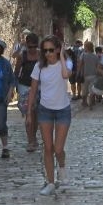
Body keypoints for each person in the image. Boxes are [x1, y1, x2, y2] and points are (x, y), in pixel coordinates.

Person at [28, 35, 72, 196]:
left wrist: (61, 57)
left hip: (63, 110)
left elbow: (66, 75)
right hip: (45, 110)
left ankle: (62, 167)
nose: (47, 53)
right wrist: (28, 112)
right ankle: (51, 181)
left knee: (58, 148)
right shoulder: (39, 67)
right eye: (45, 50)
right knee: (47, 148)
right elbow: (33, 90)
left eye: (51, 50)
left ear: (58, 49)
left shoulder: (66, 63)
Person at [13, 32, 41, 152]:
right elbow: (17, 71)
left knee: (37, 116)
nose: (33, 49)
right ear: (26, 45)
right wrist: (14, 87)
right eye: (30, 47)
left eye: (35, 46)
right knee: (29, 114)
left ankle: (34, 137)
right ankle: (30, 140)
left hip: (40, 87)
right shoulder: (22, 56)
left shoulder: (41, 55)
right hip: (25, 86)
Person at [78, 41, 100, 110]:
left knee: (84, 90)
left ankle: (84, 102)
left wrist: (78, 72)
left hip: (85, 75)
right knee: (92, 90)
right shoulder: (95, 56)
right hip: (94, 75)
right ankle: (91, 103)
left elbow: (80, 64)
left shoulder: (83, 55)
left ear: (87, 47)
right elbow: (97, 66)